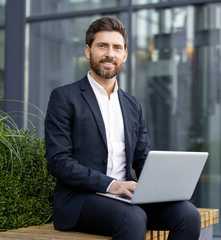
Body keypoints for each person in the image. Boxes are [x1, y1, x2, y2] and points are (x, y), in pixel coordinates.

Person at [44, 17, 201, 240]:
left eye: (117, 47)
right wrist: (112, 185)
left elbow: (142, 157)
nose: (110, 53)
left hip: (127, 199)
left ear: (125, 55)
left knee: (188, 215)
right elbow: (58, 161)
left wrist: (166, 185)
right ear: (88, 51)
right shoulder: (64, 97)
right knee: (133, 217)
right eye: (102, 46)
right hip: (80, 200)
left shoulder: (132, 104)